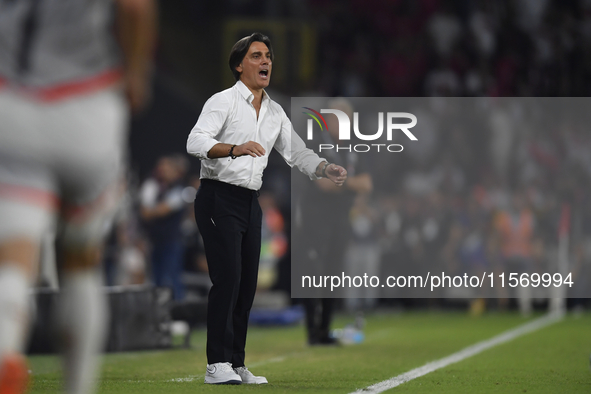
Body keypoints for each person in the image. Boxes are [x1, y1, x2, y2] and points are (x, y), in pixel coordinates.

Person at [0, 1, 156, 393]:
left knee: (13, 259)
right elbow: (134, 9)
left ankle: (5, 352)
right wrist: (136, 73)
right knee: (81, 259)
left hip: (13, 102)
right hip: (87, 103)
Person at [186, 32, 347, 385]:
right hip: (217, 196)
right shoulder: (222, 101)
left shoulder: (274, 112)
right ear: (239, 64)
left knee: (246, 286)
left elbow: (297, 152)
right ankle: (216, 363)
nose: (266, 62)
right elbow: (195, 141)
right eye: (257, 55)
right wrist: (234, 148)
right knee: (227, 278)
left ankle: (237, 362)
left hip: (249, 202)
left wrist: (324, 167)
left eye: (269, 56)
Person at [295, 98, 373, 345]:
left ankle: (325, 329)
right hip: (315, 219)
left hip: (341, 218)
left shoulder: (353, 147)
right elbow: (323, 184)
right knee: (314, 272)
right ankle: (312, 330)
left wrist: (342, 183)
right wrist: (351, 185)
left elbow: (367, 184)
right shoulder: (315, 144)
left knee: (334, 273)